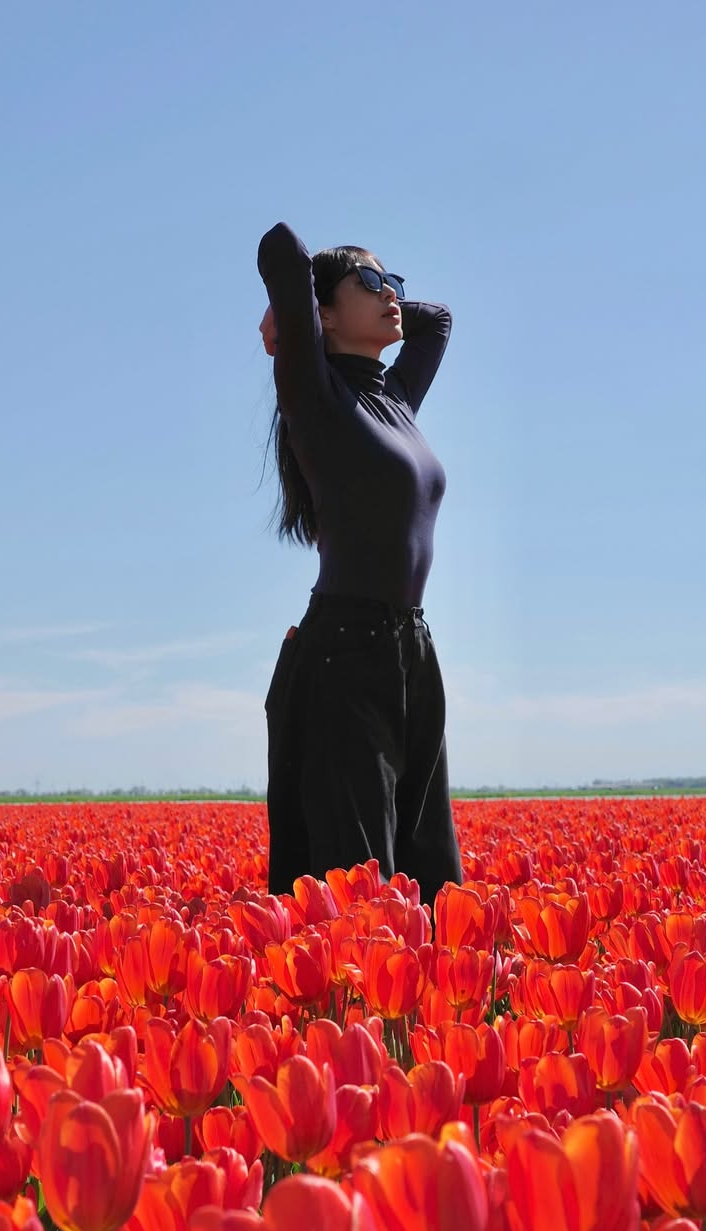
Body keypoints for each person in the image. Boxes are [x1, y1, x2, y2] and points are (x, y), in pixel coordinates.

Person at [256, 220, 462, 910]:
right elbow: (281, 248)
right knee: (360, 876)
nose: (390, 295)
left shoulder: (394, 400)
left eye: (392, 281)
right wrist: (289, 318)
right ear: (323, 313)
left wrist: (370, 291)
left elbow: (437, 321)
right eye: (369, 283)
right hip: (343, 653)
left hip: (412, 649)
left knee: (429, 866)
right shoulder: (315, 396)